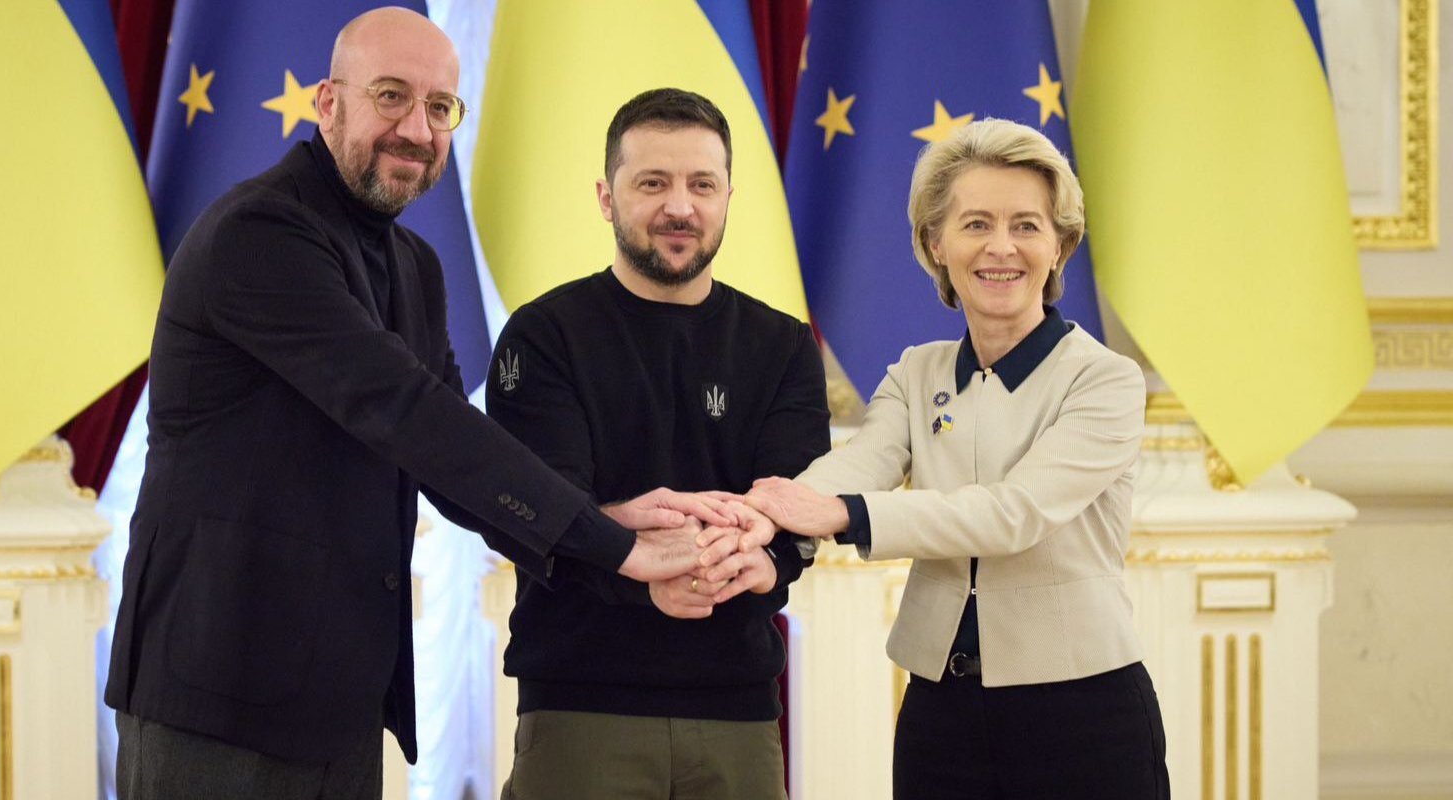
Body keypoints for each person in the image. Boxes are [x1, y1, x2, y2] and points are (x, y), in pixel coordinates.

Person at [103, 10, 730, 799]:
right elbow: (408, 412)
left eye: (439, 108)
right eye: (391, 96)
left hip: (341, 699)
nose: (417, 129)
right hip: (216, 692)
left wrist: (602, 519)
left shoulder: (415, 265)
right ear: (328, 103)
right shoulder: (258, 232)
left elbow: (449, 455)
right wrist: (613, 545)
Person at [745, 118, 1169, 798]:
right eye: (976, 224)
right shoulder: (917, 372)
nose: (1002, 247)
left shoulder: (1104, 380)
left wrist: (841, 513)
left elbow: (1012, 515)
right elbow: (856, 466)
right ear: (935, 243)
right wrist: (760, 517)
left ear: (1060, 245)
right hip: (940, 714)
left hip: (1085, 712)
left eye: (1027, 225)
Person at [482, 88, 830, 799]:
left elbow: (796, 512)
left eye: (702, 184)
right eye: (652, 183)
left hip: (738, 713)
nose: (680, 207)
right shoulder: (542, 337)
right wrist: (642, 561)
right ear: (606, 198)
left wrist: (759, 560)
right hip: (580, 706)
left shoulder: (785, 346)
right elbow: (536, 512)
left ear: (728, 196)